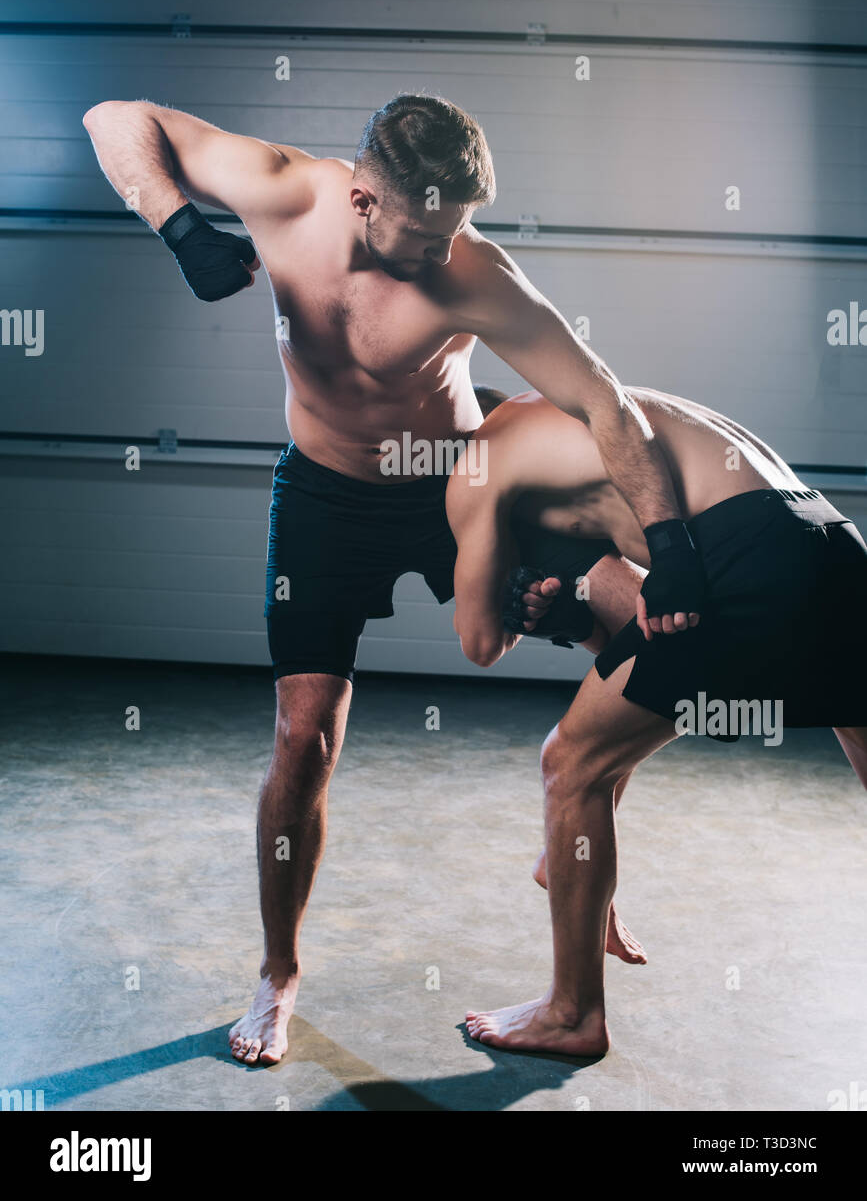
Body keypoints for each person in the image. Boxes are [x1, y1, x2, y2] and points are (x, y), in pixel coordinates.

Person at [83, 92, 703, 1066]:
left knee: (635, 616)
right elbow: (117, 119)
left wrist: (675, 545)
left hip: (456, 483)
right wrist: (177, 226)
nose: (437, 258)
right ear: (365, 199)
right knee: (303, 736)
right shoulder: (284, 193)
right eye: (422, 237)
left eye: (453, 234)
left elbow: (605, 400)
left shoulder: (472, 271)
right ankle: (278, 973)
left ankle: (580, 838)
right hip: (326, 499)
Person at [445, 386, 867, 1055]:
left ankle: (571, 1015)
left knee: (570, 764)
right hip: (833, 549)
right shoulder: (577, 418)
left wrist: (504, 600)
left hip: (748, 567)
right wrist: (570, 614)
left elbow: (480, 646)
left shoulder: (476, 463)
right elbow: (639, 646)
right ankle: (574, 872)